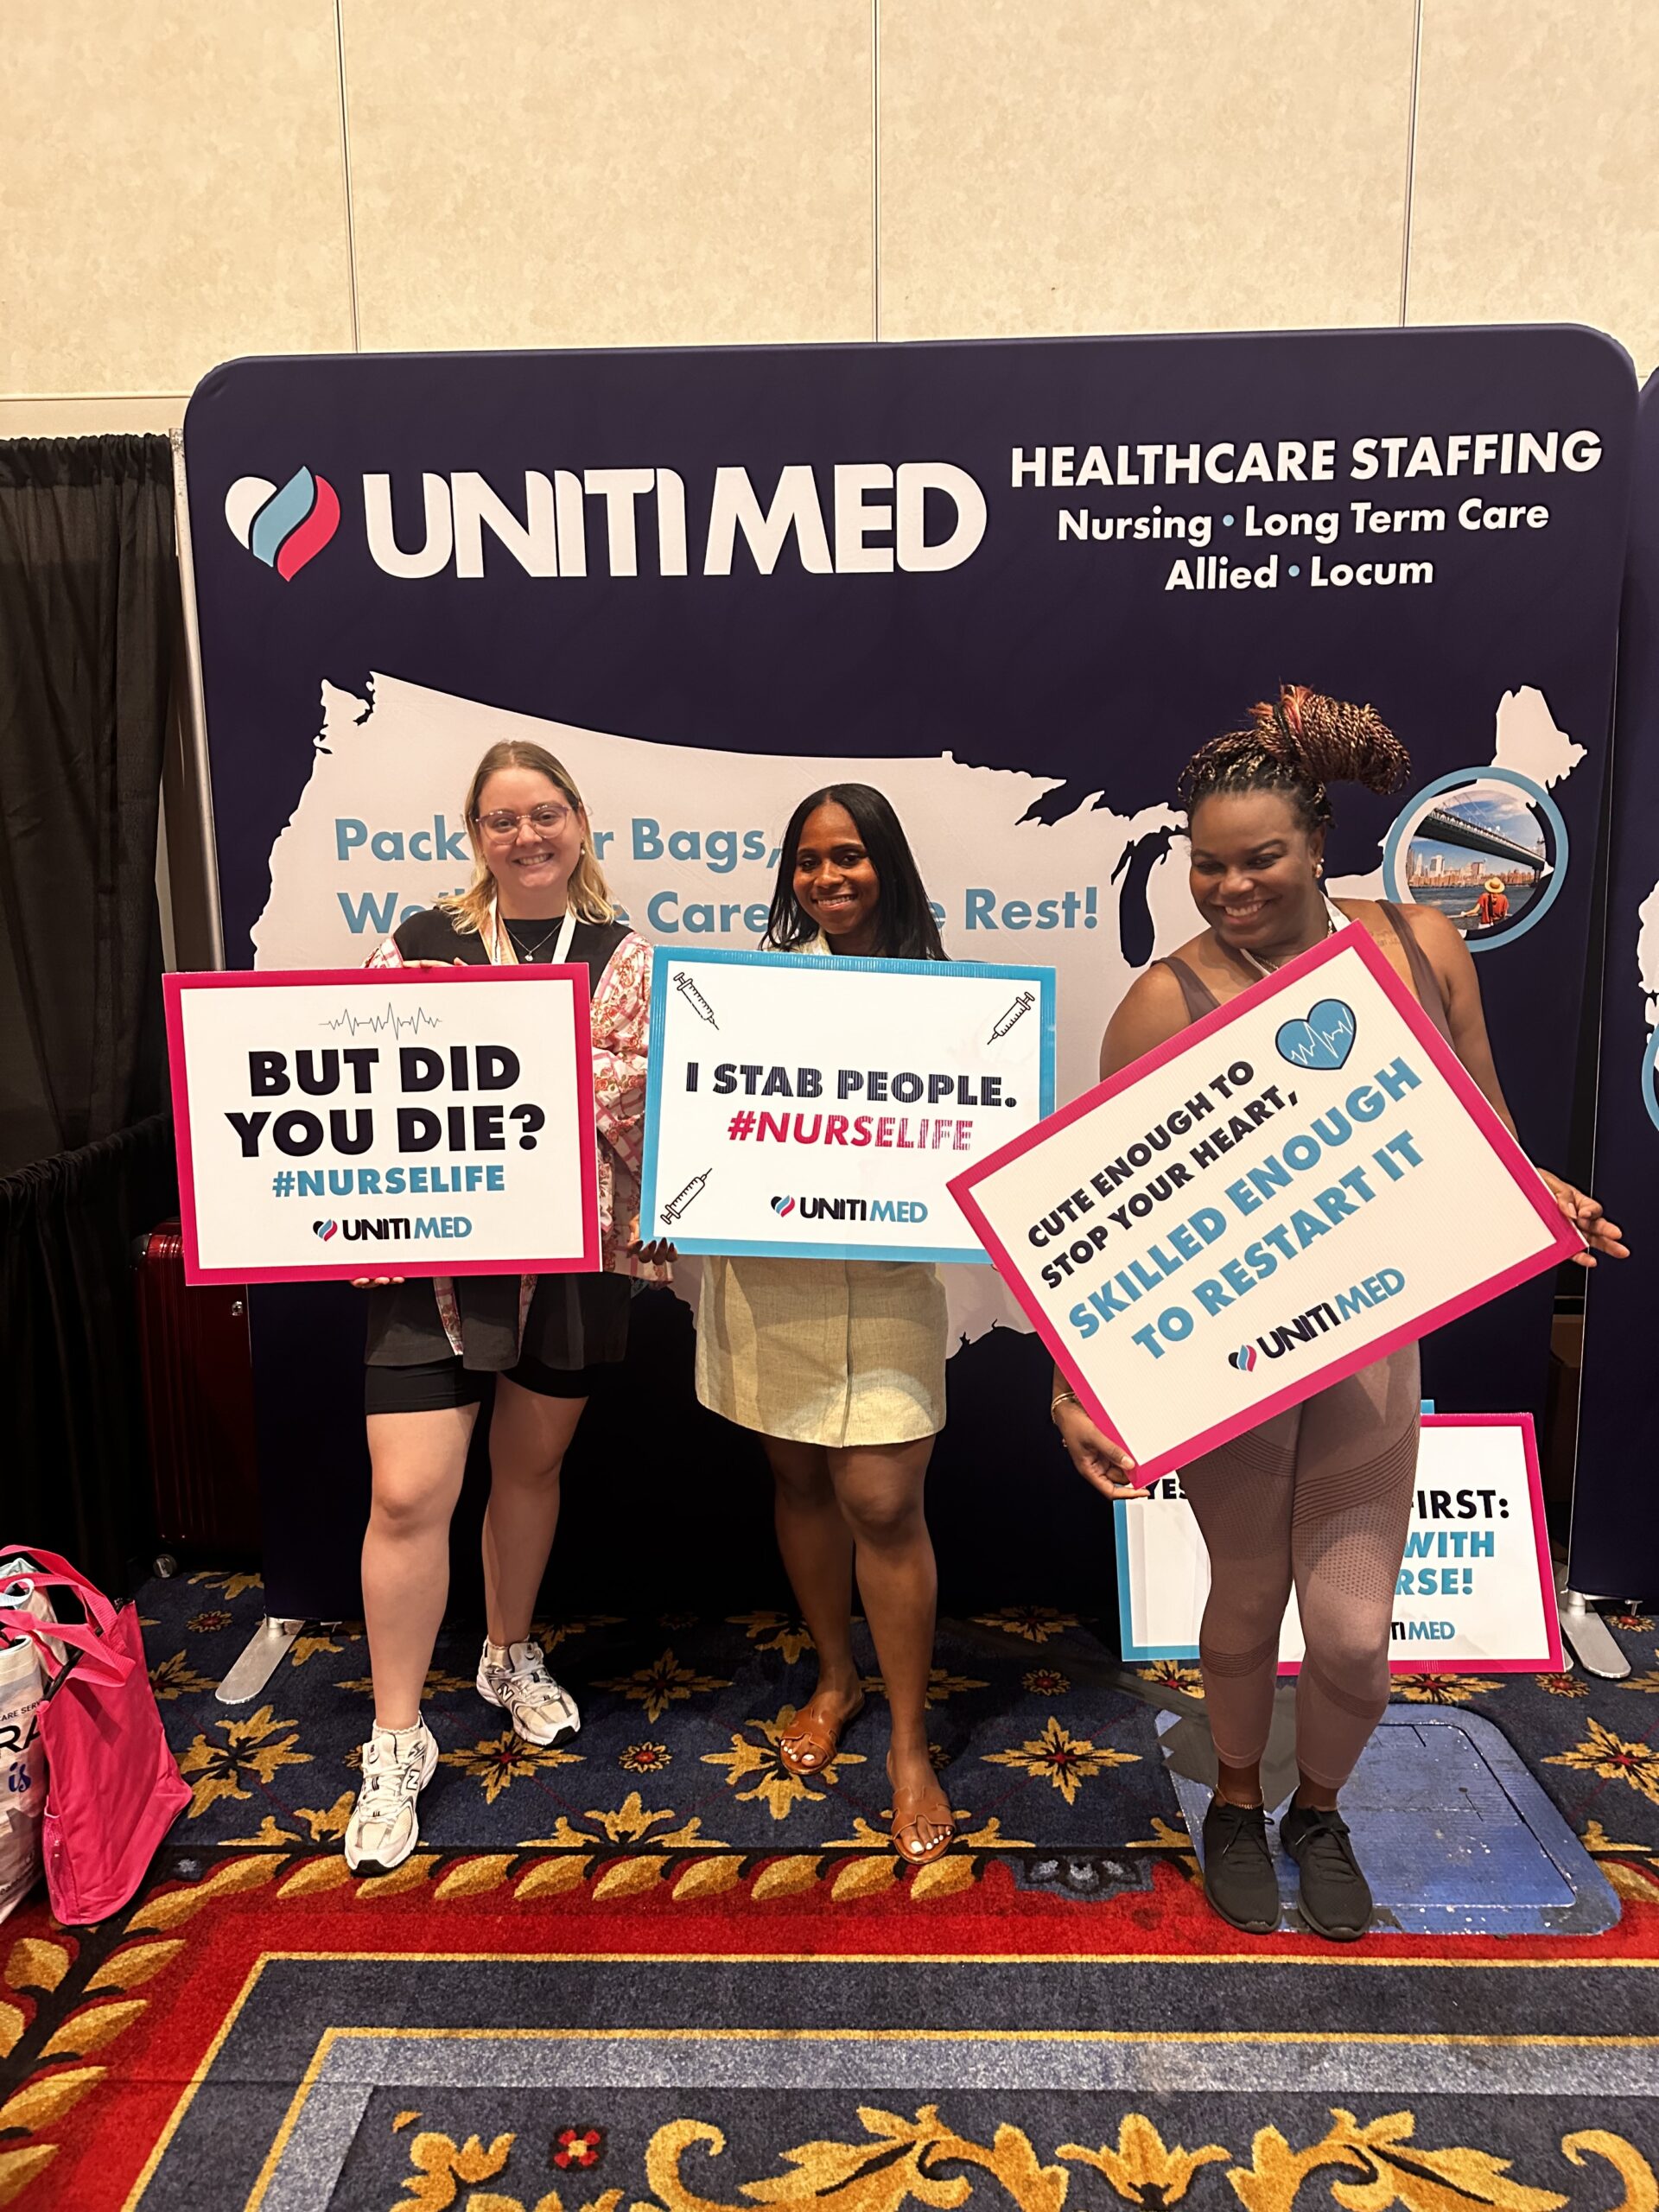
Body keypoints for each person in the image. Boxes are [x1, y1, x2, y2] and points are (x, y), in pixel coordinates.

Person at [1052, 684, 1625, 1940]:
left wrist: (1538, 1187)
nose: (1230, 887)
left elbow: (1484, 1132)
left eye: (1260, 858)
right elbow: (1101, 1227)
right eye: (1208, 864)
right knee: (1247, 1591)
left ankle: (1319, 1808)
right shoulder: (1164, 1001)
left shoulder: (1420, 948)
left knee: (1357, 1635)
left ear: (1319, 844)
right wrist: (1073, 1384)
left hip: (1372, 1340)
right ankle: (1236, 1800)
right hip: (1234, 1361)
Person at [343, 739, 670, 1876]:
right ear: (475, 833)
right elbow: (365, 1084)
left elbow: (647, 1097)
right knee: (406, 1493)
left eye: (545, 814)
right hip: (428, 1257)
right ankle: (395, 1737)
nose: (526, 836)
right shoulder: (416, 942)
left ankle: (506, 1651)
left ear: (577, 821)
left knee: (531, 1468)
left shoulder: (625, 955)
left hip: (568, 1257)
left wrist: (513, 1049)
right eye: (502, 819)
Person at [695, 785, 958, 1864]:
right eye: (807, 861)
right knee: (800, 1478)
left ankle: (909, 1743)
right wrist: (679, 1190)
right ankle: (837, 1678)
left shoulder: (952, 1001)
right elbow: (710, 1116)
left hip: (887, 1277)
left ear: (887, 863)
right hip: (773, 1276)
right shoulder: (753, 991)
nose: (827, 878)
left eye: (848, 856)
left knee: (883, 1501)